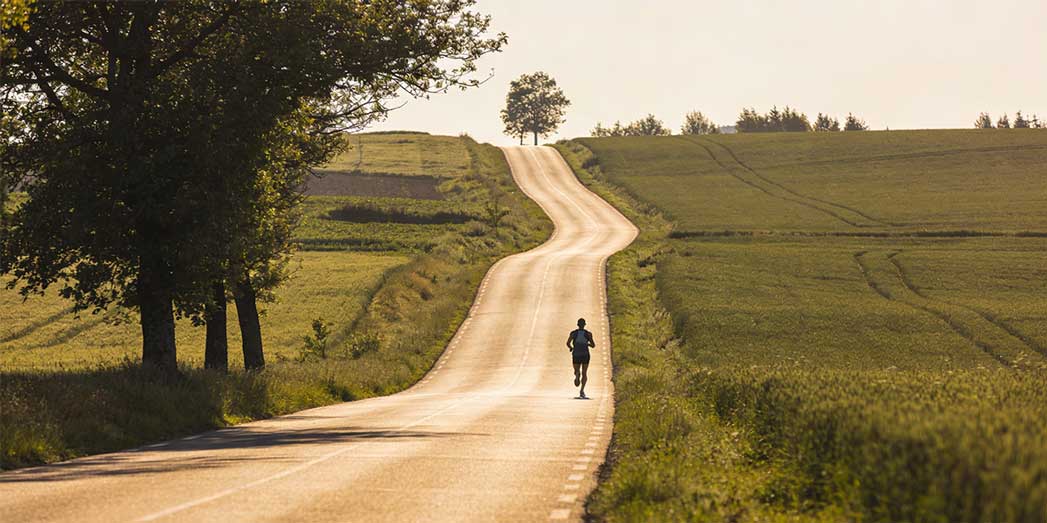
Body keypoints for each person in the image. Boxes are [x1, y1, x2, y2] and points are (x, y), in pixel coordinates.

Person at [566, 318, 595, 398]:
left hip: (576, 354)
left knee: (576, 370)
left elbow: (568, 343)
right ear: (584, 325)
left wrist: (571, 348)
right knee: (585, 373)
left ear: (577, 325)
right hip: (585, 354)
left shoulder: (573, 333)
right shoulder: (588, 334)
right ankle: (582, 390)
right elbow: (593, 345)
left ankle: (577, 375)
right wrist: (587, 344)